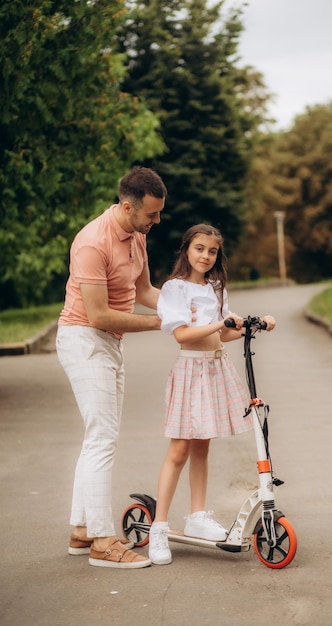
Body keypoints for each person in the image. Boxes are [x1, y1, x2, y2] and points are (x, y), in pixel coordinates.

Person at [56, 166, 167, 569]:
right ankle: (103, 542)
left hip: (108, 343)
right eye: (151, 214)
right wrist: (161, 324)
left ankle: (82, 530)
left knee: (98, 437)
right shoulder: (92, 242)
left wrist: (186, 305)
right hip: (83, 340)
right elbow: (100, 315)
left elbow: (143, 291)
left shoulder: (137, 237)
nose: (156, 221)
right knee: (102, 439)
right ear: (126, 206)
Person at [148, 224, 276, 565]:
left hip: (215, 368)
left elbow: (222, 335)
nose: (205, 256)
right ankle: (158, 529)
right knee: (179, 450)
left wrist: (251, 325)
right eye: (199, 248)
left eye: (212, 251)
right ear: (186, 249)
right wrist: (220, 324)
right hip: (190, 370)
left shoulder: (216, 287)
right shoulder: (175, 289)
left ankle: (197, 517)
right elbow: (184, 336)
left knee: (202, 446)